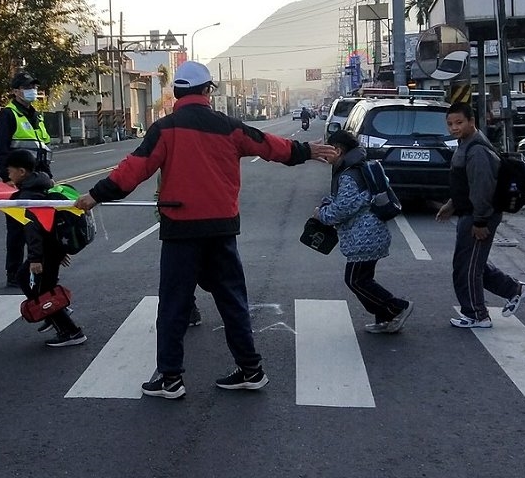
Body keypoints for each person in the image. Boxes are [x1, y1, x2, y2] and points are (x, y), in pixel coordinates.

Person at [74, 61, 334, 399]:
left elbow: (132, 170)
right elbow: (268, 144)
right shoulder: (229, 127)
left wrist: (94, 196)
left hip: (181, 231)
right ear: (207, 91)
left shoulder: (165, 129)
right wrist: (306, 150)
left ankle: (170, 379)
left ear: (177, 93)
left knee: (174, 306)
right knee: (232, 301)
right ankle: (251, 369)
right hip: (221, 230)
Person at [436, 102, 525, 329]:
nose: (454, 128)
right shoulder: (465, 144)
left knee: (467, 268)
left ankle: (477, 315)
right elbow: (465, 183)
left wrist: (480, 221)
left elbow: (481, 188)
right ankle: (514, 290)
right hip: (469, 212)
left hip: (479, 216)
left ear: (472, 122)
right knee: (469, 264)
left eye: (459, 123)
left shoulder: (476, 149)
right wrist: (451, 204)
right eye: (450, 124)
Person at [315, 130, 413, 334]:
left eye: (327, 149)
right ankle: (384, 319)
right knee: (364, 279)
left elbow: (342, 209)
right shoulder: (357, 167)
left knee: (355, 280)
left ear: (338, 150)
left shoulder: (349, 174)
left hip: (364, 237)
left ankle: (396, 307)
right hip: (370, 234)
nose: (323, 154)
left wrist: (322, 214)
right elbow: (350, 200)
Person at [5, 148, 86, 347]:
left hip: (45, 252)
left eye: (11, 171)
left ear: (22, 172)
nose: (8, 175)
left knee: (40, 289)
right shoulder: (42, 182)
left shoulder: (29, 194)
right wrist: (60, 250)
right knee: (37, 284)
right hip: (52, 248)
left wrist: (34, 259)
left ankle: (69, 330)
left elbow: (33, 228)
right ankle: (54, 316)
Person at [0, 71, 53, 287]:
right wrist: (6, 177)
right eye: (28, 87)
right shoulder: (8, 115)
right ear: (16, 91)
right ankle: (14, 273)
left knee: (40, 224)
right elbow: (0, 149)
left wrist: (49, 177)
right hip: (17, 179)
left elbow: (42, 147)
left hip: (39, 178)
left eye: (34, 87)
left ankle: (37, 266)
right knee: (18, 228)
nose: (33, 91)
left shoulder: (34, 114)